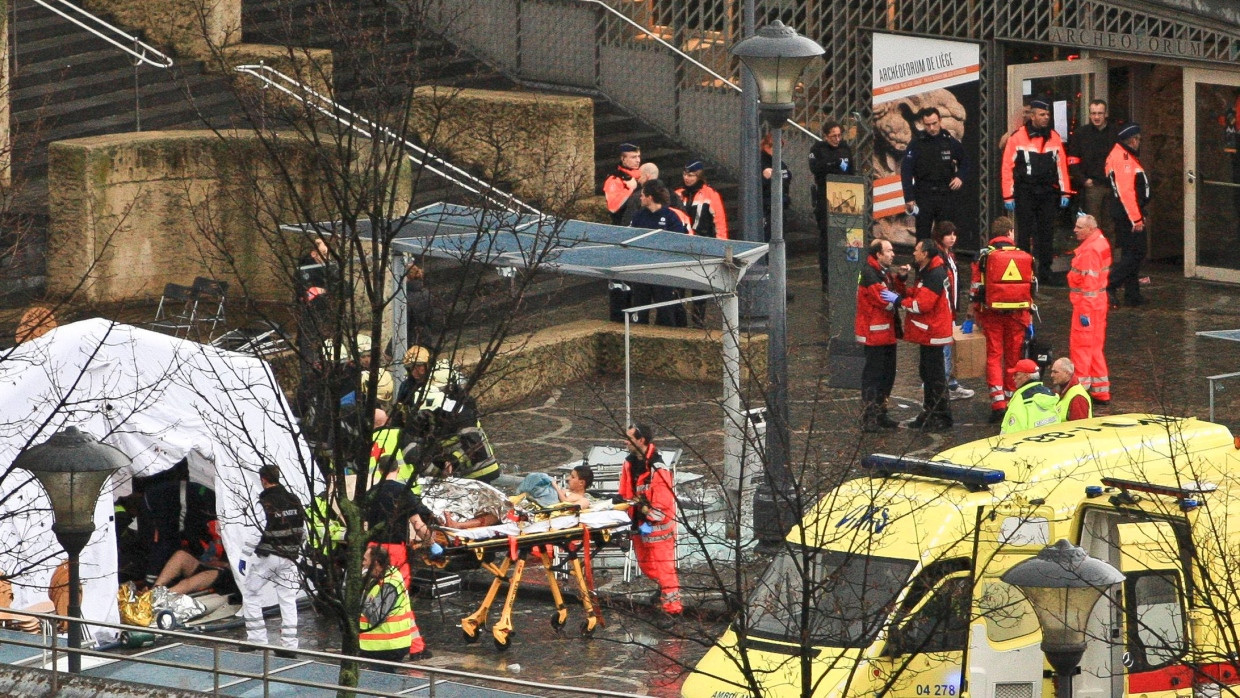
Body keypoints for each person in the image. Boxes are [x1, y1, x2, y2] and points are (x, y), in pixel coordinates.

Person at [970, 216, 1035, 424]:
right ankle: (1012, 399)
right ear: (1010, 233)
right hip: (1017, 316)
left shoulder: (983, 256)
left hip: (992, 315)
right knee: (1013, 357)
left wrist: (974, 315)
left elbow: (975, 289)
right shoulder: (1024, 256)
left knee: (994, 356)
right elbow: (1030, 288)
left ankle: (998, 404)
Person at [1001, 99, 1072, 284]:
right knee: (1024, 233)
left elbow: (1061, 167)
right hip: (1025, 191)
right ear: (1032, 116)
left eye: (1048, 115)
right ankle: (1025, 271)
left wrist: (1065, 192)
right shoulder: (1018, 137)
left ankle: (1045, 271)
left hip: (1047, 192)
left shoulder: (1053, 137)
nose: (1046, 118)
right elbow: (1007, 167)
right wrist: (1008, 194)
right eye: (1042, 114)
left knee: (1046, 232)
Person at [241, 465, 305, 656]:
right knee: (287, 599)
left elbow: (257, 531)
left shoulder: (265, 502)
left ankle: (257, 639)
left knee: (251, 592)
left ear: (263, 479)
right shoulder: (295, 500)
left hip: (269, 555)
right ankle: (289, 645)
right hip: (290, 556)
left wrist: (245, 555)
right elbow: (304, 529)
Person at [620, 424, 681, 616]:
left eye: (629, 438)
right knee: (646, 566)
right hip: (640, 526)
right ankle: (664, 589)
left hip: (659, 529)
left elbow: (661, 505)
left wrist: (647, 519)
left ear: (641, 441)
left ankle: (673, 610)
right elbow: (625, 493)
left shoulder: (658, 468)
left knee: (665, 569)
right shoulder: (629, 463)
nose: (625, 441)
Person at [900, 239, 954, 431]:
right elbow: (917, 294)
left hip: (933, 331)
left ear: (925, 254)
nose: (914, 253)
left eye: (916, 250)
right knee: (929, 373)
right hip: (930, 331)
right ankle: (931, 412)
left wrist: (900, 302)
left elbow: (922, 304)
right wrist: (902, 284)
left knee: (934, 375)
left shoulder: (934, 274)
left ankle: (940, 415)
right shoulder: (929, 271)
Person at [856, 239, 905, 432]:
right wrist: (903, 301)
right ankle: (870, 418)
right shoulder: (871, 274)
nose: (893, 254)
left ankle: (881, 413)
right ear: (878, 254)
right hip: (875, 334)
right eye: (889, 251)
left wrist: (900, 280)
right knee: (874, 377)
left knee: (887, 375)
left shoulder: (881, 273)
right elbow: (883, 298)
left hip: (885, 332)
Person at [366, 454, 433, 591]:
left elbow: (364, 524)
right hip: (395, 549)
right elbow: (417, 524)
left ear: (379, 470)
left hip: (373, 549)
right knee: (397, 590)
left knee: (373, 590)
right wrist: (431, 542)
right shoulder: (404, 492)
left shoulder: (371, 493)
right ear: (399, 469)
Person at [902, 108, 968, 242]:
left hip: (945, 194)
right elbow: (906, 170)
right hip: (923, 194)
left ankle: (944, 261)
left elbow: (965, 161)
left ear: (940, 121)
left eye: (934, 123)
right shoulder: (916, 143)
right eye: (928, 125)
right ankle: (921, 262)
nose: (931, 128)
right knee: (922, 234)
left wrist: (960, 176)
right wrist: (909, 197)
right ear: (923, 124)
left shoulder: (949, 141)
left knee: (945, 234)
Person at [629, 180, 689, 327]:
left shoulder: (671, 217)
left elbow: (678, 242)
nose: (640, 198)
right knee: (639, 308)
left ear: (650, 197)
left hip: (662, 271)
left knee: (665, 311)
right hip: (642, 271)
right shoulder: (638, 216)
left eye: (642, 195)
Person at [1067, 214, 1113, 406]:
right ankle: (1101, 392)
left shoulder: (1090, 251)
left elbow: (1089, 285)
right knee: (1094, 348)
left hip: (1087, 307)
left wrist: (1084, 313)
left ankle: (1079, 393)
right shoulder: (1101, 242)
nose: (1075, 230)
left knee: (1081, 349)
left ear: (1090, 229)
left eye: (1079, 227)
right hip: (1098, 304)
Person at [1106, 123, 1151, 308]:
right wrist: (1136, 218)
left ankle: (1132, 294)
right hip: (1128, 215)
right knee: (1136, 253)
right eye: (1138, 139)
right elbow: (1126, 192)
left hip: (1128, 213)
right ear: (1132, 140)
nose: (1139, 142)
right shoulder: (1123, 158)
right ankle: (1110, 284)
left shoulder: (1122, 155)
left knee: (1129, 253)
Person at [358, 546, 425, 669]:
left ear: (376, 563)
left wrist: (361, 596)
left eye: (365, 560)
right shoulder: (386, 577)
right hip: (384, 646)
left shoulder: (389, 584)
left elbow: (375, 617)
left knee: (381, 683)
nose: (363, 563)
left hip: (385, 647)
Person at [931, 221, 974, 401]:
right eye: (948, 234)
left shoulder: (949, 256)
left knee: (948, 349)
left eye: (954, 234)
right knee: (945, 350)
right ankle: (945, 386)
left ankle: (948, 384)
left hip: (950, 310)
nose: (952, 237)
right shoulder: (939, 257)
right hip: (944, 311)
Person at [809, 120, 852, 289]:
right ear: (826, 136)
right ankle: (826, 279)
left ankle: (845, 274)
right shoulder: (817, 149)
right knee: (827, 238)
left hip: (844, 198)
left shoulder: (845, 148)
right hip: (825, 197)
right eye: (833, 136)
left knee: (845, 239)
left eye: (839, 135)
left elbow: (851, 171)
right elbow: (816, 168)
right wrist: (833, 164)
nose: (837, 139)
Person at [1067, 100, 1118, 238]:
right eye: (1093, 113)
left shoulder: (1115, 133)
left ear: (1106, 114)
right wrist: (1083, 180)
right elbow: (1072, 160)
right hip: (1092, 186)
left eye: (1100, 113)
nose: (1096, 117)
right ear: (1089, 115)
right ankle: (1092, 259)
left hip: (1112, 186)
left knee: (1110, 227)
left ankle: (1108, 259)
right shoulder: (1081, 134)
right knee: (1091, 228)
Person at [151, 520, 229, 595]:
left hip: (228, 574)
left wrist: (224, 564)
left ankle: (156, 600)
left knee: (186, 583)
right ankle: (153, 592)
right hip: (210, 564)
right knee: (181, 555)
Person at [1000, 358, 1061, 434]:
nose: (1013, 377)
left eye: (1016, 374)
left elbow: (1012, 434)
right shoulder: (1049, 395)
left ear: (1026, 376)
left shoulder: (1020, 400)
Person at [760, 132, 791, 242]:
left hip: (780, 205)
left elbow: (787, 177)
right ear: (766, 146)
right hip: (768, 207)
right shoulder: (761, 162)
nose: (777, 151)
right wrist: (764, 177)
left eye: (779, 148)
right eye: (773, 147)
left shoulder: (780, 163)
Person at [517, 465, 595, 508]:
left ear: (581, 483)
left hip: (550, 502)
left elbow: (567, 504)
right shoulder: (566, 490)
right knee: (540, 478)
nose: (568, 479)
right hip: (546, 497)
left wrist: (555, 486)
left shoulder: (584, 500)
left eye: (572, 477)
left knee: (542, 479)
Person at [603, 143, 642, 225]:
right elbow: (613, 207)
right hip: (623, 225)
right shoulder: (614, 179)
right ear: (623, 159)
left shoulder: (641, 175)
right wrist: (630, 189)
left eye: (638, 156)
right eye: (633, 157)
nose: (638, 160)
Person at [1048, 357, 1092, 421]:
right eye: (1052, 371)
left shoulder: (1078, 398)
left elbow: (1078, 427)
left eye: (1055, 372)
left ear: (1067, 373)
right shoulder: (1061, 390)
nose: (1052, 375)